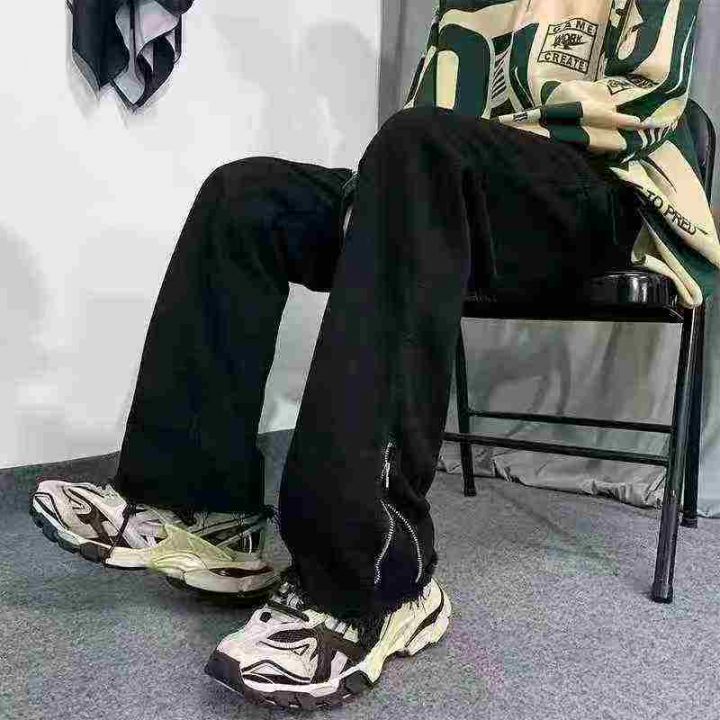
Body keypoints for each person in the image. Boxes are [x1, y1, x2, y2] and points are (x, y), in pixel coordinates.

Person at [31, 0, 718, 711]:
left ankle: (370, 577)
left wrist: (469, 148)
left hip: (597, 190)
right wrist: (385, 186)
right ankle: (198, 504)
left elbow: (648, 101)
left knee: (419, 151)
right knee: (247, 195)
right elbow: (434, 110)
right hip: (452, 178)